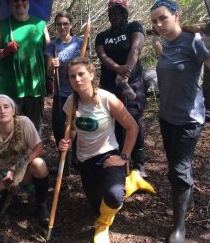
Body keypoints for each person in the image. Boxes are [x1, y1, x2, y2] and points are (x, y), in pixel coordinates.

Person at [149, 0, 210, 243]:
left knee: (178, 170)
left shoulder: (194, 41)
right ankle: (187, 198)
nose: (159, 24)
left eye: (163, 18)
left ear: (176, 15)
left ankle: (179, 227)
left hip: (189, 118)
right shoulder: (164, 42)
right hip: (166, 116)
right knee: (177, 163)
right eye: (154, 21)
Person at [58, 57, 155, 243]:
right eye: (72, 76)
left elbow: (132, 127)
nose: (77, 79)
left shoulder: (106, 98)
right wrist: (66, 142)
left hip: (108, 156)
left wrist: (124, 157)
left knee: (113, 197)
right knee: (97, 204)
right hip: (85, 160)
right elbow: (70, 130)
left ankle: (102, 225)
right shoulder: (71, 101)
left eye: (81, 74)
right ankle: (133, 181)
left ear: (91, 75)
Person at [0, 94, 50, 226]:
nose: (2, 111)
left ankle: (41, 205)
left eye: (6, 107)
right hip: (0, 174)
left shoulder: (24, 123)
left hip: (23, 171)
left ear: (13, 110)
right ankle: (2, 191)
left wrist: (14, 170)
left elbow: (38, 149)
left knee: (40, 165)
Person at [0, 0, 50, 133]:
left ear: (28, 2)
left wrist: (50, 76)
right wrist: (5, 51)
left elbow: (49, 52)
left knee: (34, 131)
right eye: (15, 0)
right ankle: (15, 157)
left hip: (35, 87)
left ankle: (33, 157)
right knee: (12, 131)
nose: (20, 2)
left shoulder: (40, 24)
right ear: (10, 3)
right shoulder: (2, 25)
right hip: (11, 89)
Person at [95, 0, 147, 176]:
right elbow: (103, 56)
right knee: (114, 121)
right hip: (110, 85)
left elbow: (135, 49)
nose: (116, 15)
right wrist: (117, 68)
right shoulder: (102, 36)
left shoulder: (134, 27)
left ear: (125, 13)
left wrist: (126, 71)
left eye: (119, 11)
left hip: (132, 83)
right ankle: (118, 158)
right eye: (113, 12)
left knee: (133, 120)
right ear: (109, 15)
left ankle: (138, 164)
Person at [44, 11, 84, 174]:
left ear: (71, 25)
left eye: (65, 23)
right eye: (59, 24)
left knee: (79, 127)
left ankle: (78, 160)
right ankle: (64, 162)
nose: (62, 27)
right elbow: (48, 73)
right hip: (61, 94)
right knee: (60, 129)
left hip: (78, 93)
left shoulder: (80, 43)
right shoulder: (52, 46)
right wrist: (52, 66)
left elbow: (85, 67)